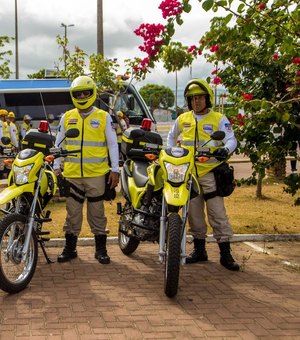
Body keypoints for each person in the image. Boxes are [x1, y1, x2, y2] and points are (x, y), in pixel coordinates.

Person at [167, 78, 239, 271]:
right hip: (189, 174)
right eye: (192, 99)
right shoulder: (183, 119)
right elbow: (171, 137)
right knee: (194, 214)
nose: (195, 102)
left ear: (207, 99)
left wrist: (225, 150)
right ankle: (200, 251)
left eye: (199, 98)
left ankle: (226, 254)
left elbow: (232, 139)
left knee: (217, 213)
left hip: (211, 173)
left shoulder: (218, 118)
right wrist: (171, 152)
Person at [53, 75, 119, 264]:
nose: (82, 96)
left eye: (86, 93)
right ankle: (70, 248)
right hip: (72, 174)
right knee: (72, 213)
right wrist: (57, 166)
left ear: (92, 93)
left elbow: (112, 144)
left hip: (96, 174)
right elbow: (58, 143)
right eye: (78, 93)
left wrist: (115, 169)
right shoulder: (67, 116)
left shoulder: (103, 116)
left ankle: (101, 250)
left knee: (97, 212)